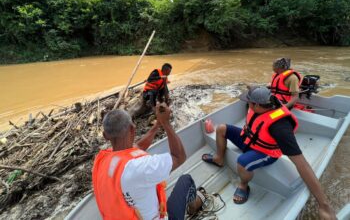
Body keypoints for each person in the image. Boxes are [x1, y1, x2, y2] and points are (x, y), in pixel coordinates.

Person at [202, 86, 336, 220]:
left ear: (257, 104)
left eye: (249, 102)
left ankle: (244, 185)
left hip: (265, 151)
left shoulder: (280, 127)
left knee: (242, 162)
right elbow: (256, 90)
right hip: (249, 139)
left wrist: (324, 205)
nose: (247, 104)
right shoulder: (263, 102)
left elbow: (302, 164)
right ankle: (219, 158)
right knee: (221, 129)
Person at [92, 103, 205, 220]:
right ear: (132, 129)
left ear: (105, 136)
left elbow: (137, 147)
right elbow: (179, 157)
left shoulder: (102, 160)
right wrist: (166, 123)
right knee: (186, 180)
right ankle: (194, 206)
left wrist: (157, 125)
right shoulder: (141, 167)